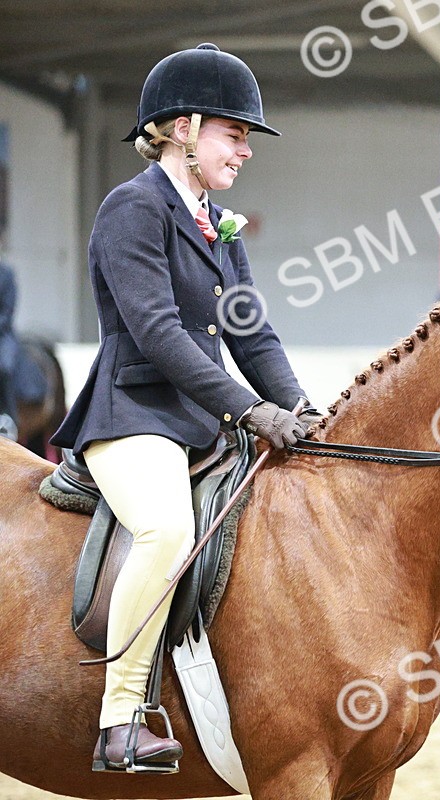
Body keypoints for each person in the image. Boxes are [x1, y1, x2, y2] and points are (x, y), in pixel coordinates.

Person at [49, 43, 323, 772]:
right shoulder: (130, 208)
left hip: (201, 422)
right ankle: (119, 724)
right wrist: (250, 411)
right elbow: (160, 335)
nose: (245, 151)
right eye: (235, 135)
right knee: (168, 530)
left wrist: (298, 406)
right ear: (184, 127)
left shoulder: (217, 224)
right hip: (134, 417)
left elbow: (251, 332)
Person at [0, 252, 18, 436]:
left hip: (2, 333)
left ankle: (8, 418)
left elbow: (7, 312)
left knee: (4, 366)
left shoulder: (6, 274)